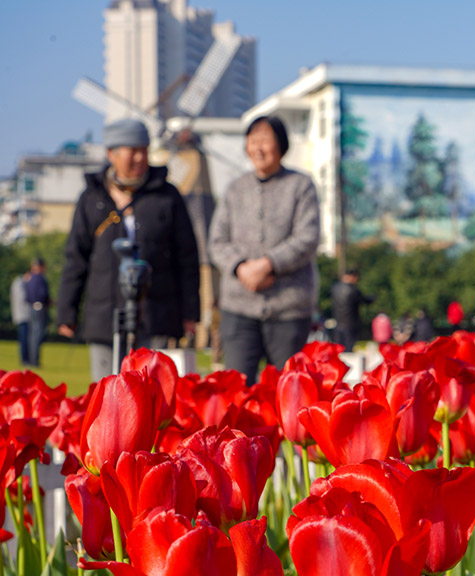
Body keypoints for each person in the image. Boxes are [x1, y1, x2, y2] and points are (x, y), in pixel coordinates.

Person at [58, 119, 200, 382]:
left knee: (150, 391)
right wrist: (67, 311)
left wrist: (190, 312)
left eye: (143, 150)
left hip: (156, 312)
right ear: (111, 154)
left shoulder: (167, 196)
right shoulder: (92, 198)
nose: (139, 158)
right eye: (131, 151)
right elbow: (76, 257)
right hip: (105, 313)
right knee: (105, 390)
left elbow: (187, 258)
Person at [209, 115, 320, 384]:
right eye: (252, 141)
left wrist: (268, 264)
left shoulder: (301, 186)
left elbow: (307, 237)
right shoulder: (235, 189)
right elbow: (217, 241)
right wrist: (241, 268)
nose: (258, 148)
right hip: (238, 307)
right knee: (236, 388)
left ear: (280, 145)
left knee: (288, 389)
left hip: (288, 308)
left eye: (265, 141)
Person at [331, 267, 373, 352]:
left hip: (338, 323)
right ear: (352, 276)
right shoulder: (353, 290)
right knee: (348, 349)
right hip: (351, 324)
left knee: (338, 350)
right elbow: (365, 300)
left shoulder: (335, 288)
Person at [23, 258, 50, 367]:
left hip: (31, 308)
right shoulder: (39, 278)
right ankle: (35, 361)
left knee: (32, 335)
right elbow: (43, 295)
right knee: (37, 335)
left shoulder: (28, 278)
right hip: (39, 308)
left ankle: (31, 360)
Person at [10, 272, 29, 365]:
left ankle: (26, 359)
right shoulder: (19, 283)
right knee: (24, 339)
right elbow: (23, 299)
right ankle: (24, 360)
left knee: (25, 339)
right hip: (23, 315)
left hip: (22, 315)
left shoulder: (18, 283)